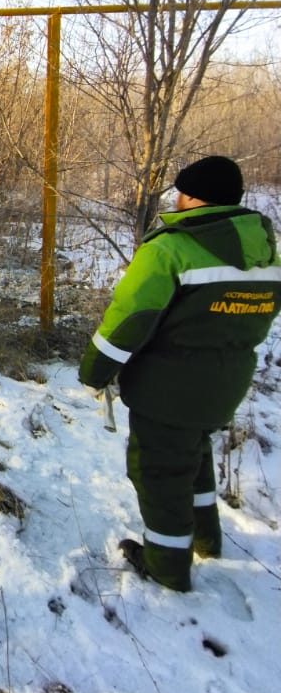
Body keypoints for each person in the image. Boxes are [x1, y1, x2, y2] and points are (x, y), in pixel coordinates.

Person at [79, 155, 281, 592]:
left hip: (168, 389)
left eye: (181, 191)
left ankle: (166, 568)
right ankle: (207, 540)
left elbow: (130, 320)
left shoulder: (172, 247)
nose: (176, 197)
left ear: (192, 196)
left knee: (159, 472)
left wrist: (95, 370)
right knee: (194, 455)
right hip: (226, 384)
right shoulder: (265, 250)